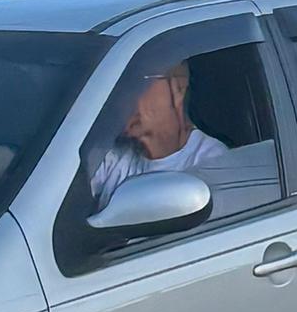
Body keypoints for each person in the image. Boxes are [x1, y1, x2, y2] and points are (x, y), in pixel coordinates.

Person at [86, 56, 279, 217]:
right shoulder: (110, 155)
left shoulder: (212, 162)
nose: (122, 98)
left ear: (177, 88)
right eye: (119, 87)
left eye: (136, 83)